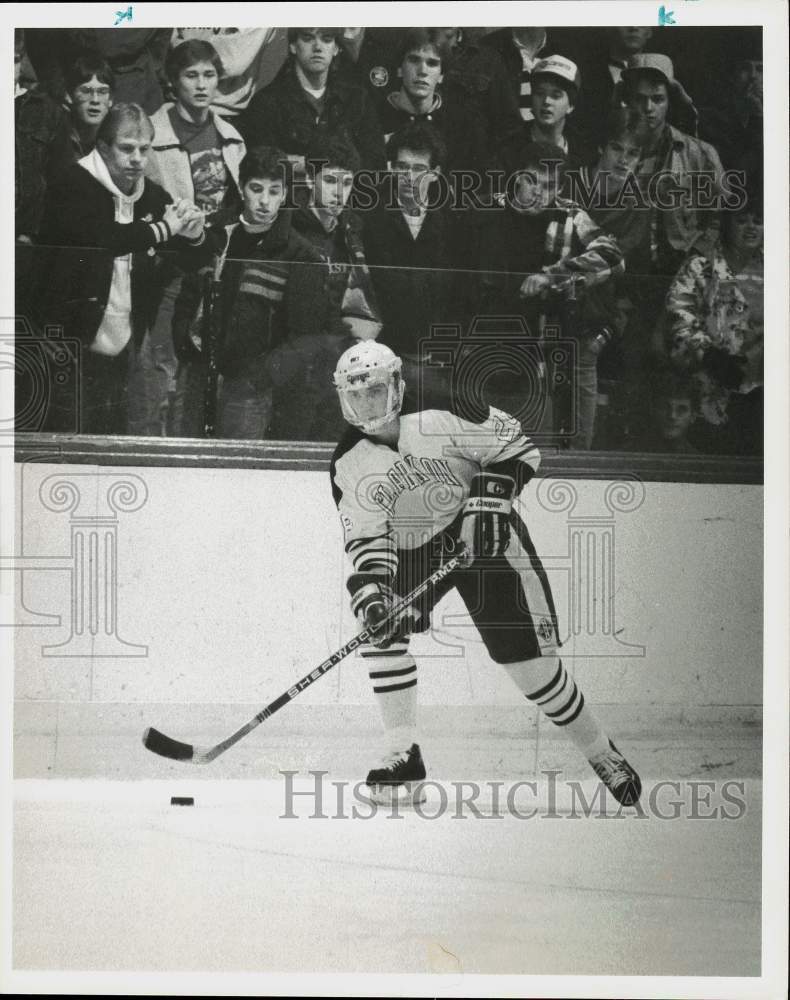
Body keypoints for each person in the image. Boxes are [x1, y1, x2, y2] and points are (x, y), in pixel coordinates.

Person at [329, 339, 642, 807]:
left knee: (532, 670)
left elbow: (520, 450)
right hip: (414, 546)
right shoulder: (347, 463)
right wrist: (375, 594)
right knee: (380, 627)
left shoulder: (446, 404)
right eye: (356, 396)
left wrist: (485, 503)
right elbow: (369, 541)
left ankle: (601, 753)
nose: (366, 404)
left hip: (484, 532)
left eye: (374, 391)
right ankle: (403, 755)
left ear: (396, 384)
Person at [32, 103, 208, 435]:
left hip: (124, 343)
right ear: (102, 147)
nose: (138, 158)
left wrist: (194, 231)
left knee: (113, 441)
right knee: (68, 443)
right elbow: (104, 239)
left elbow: (190, 258)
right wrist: (163, 229)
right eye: (127, 149)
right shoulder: (72, 183)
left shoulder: (150, 195)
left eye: (144, 149)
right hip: (66, 342)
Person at [170, 146, 324, 440]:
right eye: (256, 189)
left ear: (284, 194)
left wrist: (263, 377)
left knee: (236, 473)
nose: (265, 201)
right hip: (199, 373)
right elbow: (188, 293)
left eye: (274, 191)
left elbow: (304, 335)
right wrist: (184, 344)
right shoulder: (214, 230)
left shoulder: (300, 254)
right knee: (187, 464)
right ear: (241, 189)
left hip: (248, 387)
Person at [480, 141, 624, 449]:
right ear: (517, 177)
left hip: (547, 347)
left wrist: (553, 276)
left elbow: (613, 256)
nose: (539, 194)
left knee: (547, 449)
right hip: (494, 345)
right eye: (532, 182)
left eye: (549, 186)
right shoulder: (488, 212)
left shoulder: (570, 215)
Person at [144, 38, 246, 435]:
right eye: (191, 75)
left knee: (201, 371)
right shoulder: (152, 135)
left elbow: (236, 201)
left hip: (214, 265)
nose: (202, 85)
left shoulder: (231, 137)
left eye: (209, 75)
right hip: (169, 267)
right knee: (160, 366)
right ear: (174, 81)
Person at [664, 187, 763, 455]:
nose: (751, 228)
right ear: (727, 225)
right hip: (706, 393)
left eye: (758, 221)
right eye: (742, 221)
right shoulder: (698, 266)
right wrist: (709, 356)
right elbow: (678, 317)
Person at [239, 28, 385, 174]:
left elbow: (375, 164)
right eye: (308, 38)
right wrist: (324, 165)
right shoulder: (266, 103)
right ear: (293, 46)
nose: (318, 47)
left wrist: (301, 163)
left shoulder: (357, 99)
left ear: (336, 48)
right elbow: (261, 164)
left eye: (327, 39)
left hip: (346, 194)